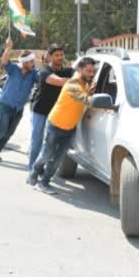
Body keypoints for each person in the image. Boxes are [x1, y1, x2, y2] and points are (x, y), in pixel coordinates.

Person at [28, 57, 97, 194]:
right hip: (55, 125)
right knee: (46, 155)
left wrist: (90, 90)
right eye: (88, 71)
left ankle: (44, 182)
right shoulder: (72, 84)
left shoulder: (85, 84)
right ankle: (34, 172)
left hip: (70, 129)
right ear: (79, 69)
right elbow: (85, 100)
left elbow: (83, 98)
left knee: (57, 159)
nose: (91, 74)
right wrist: (95, 98)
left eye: (93, 71)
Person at [0, 37, 39, 163]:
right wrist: (8, 48)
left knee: (8, 134)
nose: (33, 63)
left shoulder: (33, 73)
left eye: (33, 61)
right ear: (24, 62)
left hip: (18, 109)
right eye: (31, 61)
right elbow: (4, 61)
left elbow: (41, 78)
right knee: (1, 130)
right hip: (5, 105)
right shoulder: (14, 69)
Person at [28, 44, 74, 170]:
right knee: (37, 142)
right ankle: (32, 170)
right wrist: (77, 80)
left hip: (55, 114)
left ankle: (43, 168)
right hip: (40, 111)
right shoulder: (45, 72)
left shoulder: (68, 71)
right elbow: (59, 81)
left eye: (61, 55)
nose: (59, 57)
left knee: (50, 143)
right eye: (56, 55)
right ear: (50, 57)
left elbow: (81, 75)